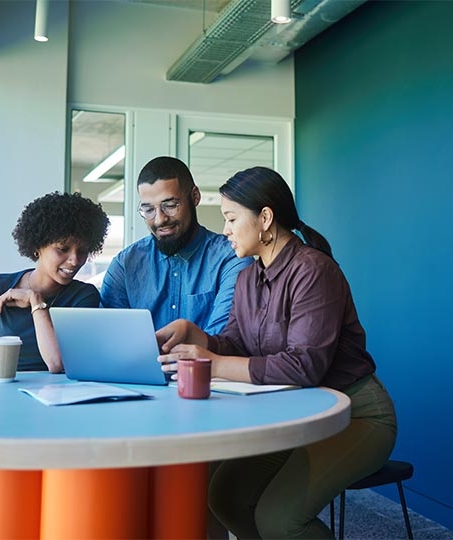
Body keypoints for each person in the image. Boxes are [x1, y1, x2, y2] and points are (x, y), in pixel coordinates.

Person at [156, 167, 397, 539]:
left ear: (264, 218)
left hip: (355, 415)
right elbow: (236, 344)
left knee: (278, 518)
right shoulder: (248, 278)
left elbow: (304, 367)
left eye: (231, 218)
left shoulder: (314, 271)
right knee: (224, 498)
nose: (225, 230)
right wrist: (199, 338)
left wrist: (216, 363)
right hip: (296, 414)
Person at [101, 156, 253, 333]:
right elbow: (111, 337)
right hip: (140, 362)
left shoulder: (232, 257)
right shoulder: (125, 265)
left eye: (170, 205)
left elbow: (223, 337)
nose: (160, 219)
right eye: (149, 210)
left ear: (195, 197)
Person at [0, 191, 110, 375]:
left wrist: (35, 301)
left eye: (82, 251)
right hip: (4, 392)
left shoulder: (83, 297)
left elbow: (56, 363)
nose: (75, 260)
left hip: (60, 396)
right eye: (62, 249)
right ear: (37, 247)